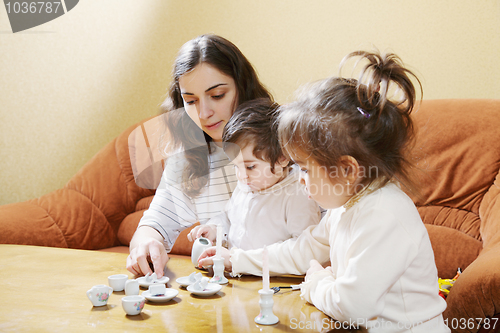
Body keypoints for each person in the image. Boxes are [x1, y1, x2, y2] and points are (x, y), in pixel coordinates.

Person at [198, 50, 450, 332]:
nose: (299, 178)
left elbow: (353, 306)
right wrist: (237, 260)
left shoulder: (383, 214)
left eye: (304, 168)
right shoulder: (345, 206)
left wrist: (317, 283)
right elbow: (303, 250)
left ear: (346, 170)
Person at [126, 34, 273, 278]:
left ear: (242, 85)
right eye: (191, 101)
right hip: (223, 294)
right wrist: (146, 243)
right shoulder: (189, 155)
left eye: (217, 96)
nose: (204, 113)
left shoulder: (284, 140)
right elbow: (155, 222)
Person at [187, 98, 321, 251]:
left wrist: (246, 261)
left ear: (282, 158)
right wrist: (214, 228)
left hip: (269, 273)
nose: (242, 176)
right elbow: (229, 218)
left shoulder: (297, 194)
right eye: (236, 166)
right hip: (236, 270)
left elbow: (304, 248)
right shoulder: (246, 185)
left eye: (250, 167)